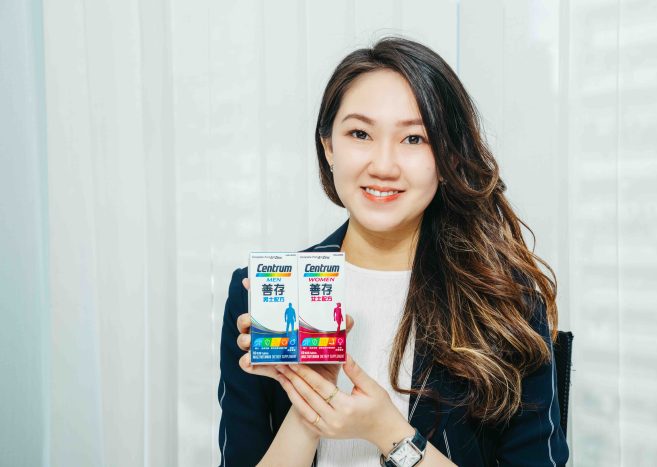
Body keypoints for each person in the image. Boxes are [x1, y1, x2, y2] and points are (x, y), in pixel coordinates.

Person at [218, 36, 569, 467]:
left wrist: (389, 432)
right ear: (329, 147)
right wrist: (311, 400)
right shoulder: (264, 295)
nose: (383, 166)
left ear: (448, 156)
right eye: (360, 133)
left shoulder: (504, 299)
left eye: (414, 138)